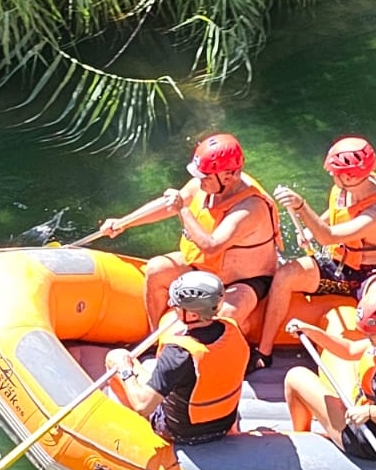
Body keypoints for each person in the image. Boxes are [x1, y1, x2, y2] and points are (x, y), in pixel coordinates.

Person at [251, 136, 376, 370]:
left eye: (336, 172)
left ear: (349, 175)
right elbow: (337, 213)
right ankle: (264, 350)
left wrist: (302, 207)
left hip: (372, 273)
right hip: (339, 265)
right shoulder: (348, 186)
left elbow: (329, 237)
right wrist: (309, 231)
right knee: (286, 274)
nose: (332, 176)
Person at [97, 132, 280, 330]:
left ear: (228, 176)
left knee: (226, 314)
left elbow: (211, 246)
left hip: (244, 280)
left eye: (205, 177)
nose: (199, 181)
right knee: (156, 268)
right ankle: (157, 337)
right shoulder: (206, 185)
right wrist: (124, 222)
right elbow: (168, 205)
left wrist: (182, 210)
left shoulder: (251, 208)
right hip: (205, 268)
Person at [281, 279, 376, 459]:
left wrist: (370, 412)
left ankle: (302, 441)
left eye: (370, 334)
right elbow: (348, 350)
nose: (366, 336)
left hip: (369, 440)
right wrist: (311, 331)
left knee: (295, 377)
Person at [106, 271, 249, 445]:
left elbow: (143, 406)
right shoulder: (232, 329)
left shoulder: (178, 353)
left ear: (194, 315)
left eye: (176, 306)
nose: (169, 304)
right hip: (223, 424)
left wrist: (125, 370)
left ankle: (132, 429)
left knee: (116, 357)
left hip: (182, 432)